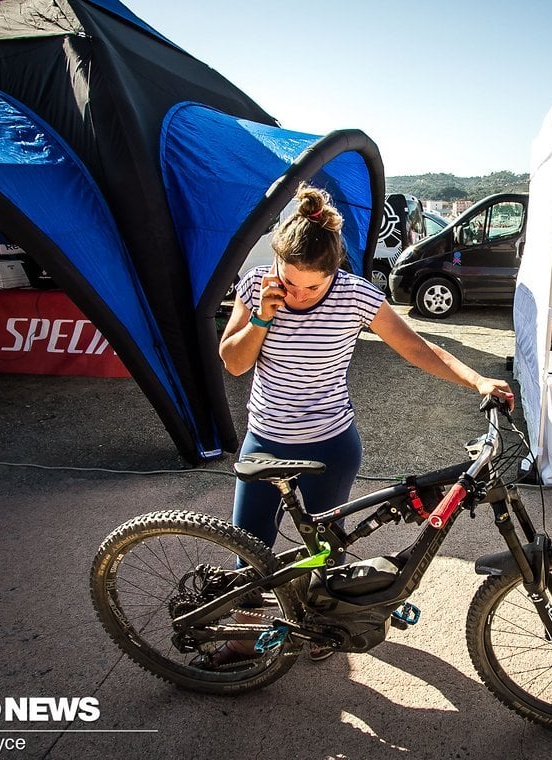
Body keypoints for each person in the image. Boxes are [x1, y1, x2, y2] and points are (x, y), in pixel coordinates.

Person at [214, 183, 514, 665]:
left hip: (331, 445)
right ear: (276, 266)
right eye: (289, 282)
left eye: (311, 287)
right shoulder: (256, 285)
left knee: (325, 551)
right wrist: (262, 321)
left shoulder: (356, 297)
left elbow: (418, 348)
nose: (298, 294)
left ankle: (320, 627)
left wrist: (477, 379)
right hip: (266, 442)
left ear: (334, 273)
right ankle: (241, 640)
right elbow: (232, 362)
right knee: (249, 553)